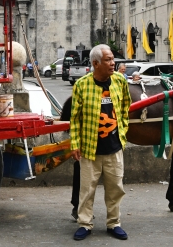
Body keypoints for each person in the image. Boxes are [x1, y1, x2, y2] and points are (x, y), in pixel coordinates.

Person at [70, 44, 131, 241]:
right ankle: (85, 224)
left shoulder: (120, 81)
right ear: (96, 63)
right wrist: (75, 144)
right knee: (87, 190)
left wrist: (122, 131)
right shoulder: (81, 85)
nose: (113, 63)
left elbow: (125, 107)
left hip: (114, 147)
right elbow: (75, 118)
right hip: (89, 148)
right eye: (108, 60)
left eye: (113, 59)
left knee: (116, 189)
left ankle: (114, 223)